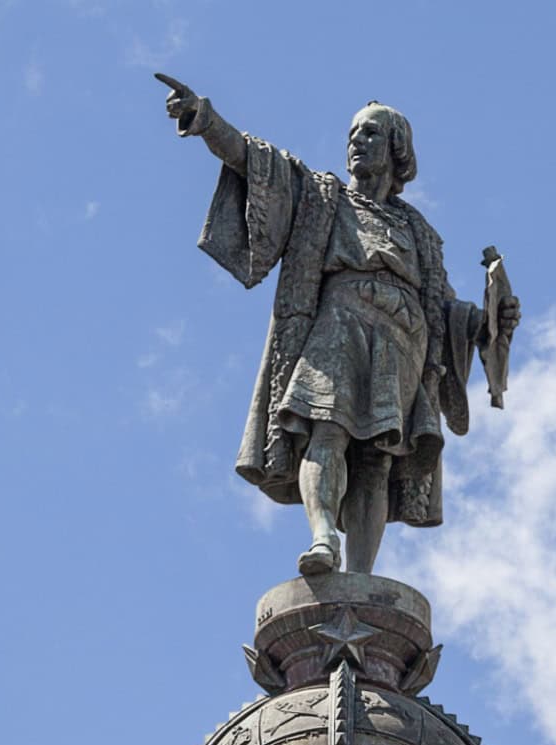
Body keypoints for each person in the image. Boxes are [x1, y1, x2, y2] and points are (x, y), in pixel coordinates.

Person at [159, 76, 522, 576]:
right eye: (353, 132)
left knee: (376, 459)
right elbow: (254, 161)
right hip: (341, 320)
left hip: (403, 342)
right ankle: (323, 538)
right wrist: (205, 120)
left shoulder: (418, 232)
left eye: (370, 133)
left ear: (397, 150)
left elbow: (443, 309)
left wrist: (487, 322)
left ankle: (360, 577)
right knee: (324, 429)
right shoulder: (322, 195)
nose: (356, 140)